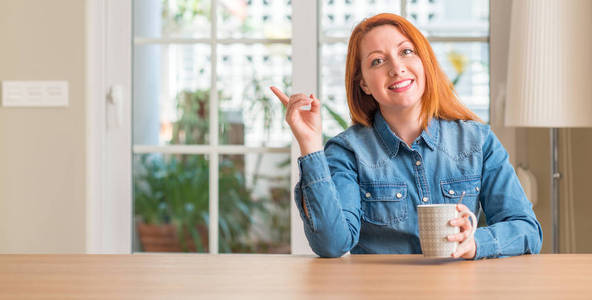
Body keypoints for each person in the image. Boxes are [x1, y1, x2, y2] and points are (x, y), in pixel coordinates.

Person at [270, 13, 542, 259]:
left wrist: (474, 243)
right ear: (363, 83)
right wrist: (310, 145)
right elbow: (332, 244)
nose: (396, 67)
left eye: (406, 52)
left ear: (424, 63)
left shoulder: (478, 141)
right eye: (377, 61)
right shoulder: (347, 152)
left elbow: (526, 229)